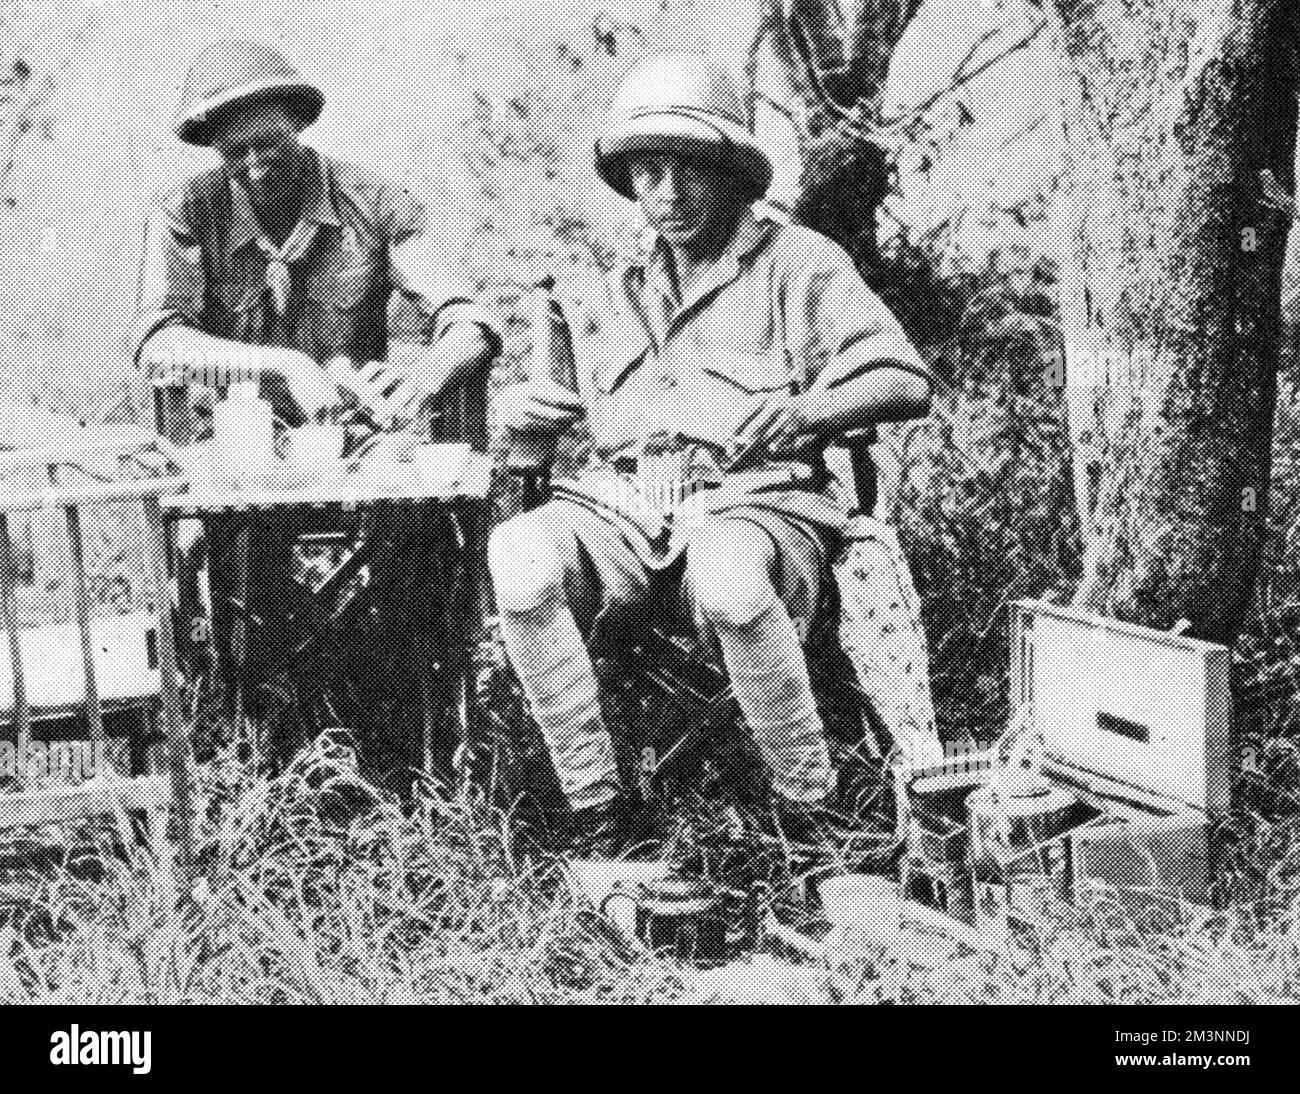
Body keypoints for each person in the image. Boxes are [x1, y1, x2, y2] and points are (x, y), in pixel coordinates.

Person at [488, 53, 933, 857]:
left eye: (688, 169)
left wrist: (811, 410)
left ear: (732, 173)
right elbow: (562, 423)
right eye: (647, 173)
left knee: (730, 584)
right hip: (624, 511)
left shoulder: (799, 264)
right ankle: (600, 809)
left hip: (755, 505)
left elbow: (905, 380)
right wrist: (523, 408)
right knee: (517, 556)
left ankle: (812, 810)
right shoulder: (615, 284)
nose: (668, 194)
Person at [133, 40, 499, 773]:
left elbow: (471, 320)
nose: (256, 165)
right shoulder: (186, 211)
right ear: (212, 149)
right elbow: (155, 344)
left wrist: (424, 376)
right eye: (235, 152)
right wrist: (281, 365)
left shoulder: (374, 202)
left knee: (413, 556)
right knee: (240, 596)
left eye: (270, 143)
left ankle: (405, 752)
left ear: (300, 125)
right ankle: (254, 752)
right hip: (235, 463)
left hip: (352, 454)